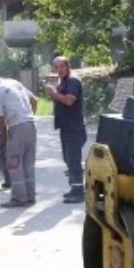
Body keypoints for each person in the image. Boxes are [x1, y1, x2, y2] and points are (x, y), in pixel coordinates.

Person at [0, 69, 38, 207]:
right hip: (31, 125)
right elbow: (34, 100)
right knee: (28, 164)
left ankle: (18, 198)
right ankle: (30, 197)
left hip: (17, 127)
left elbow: (0, 121)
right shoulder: (14, 82)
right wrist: (29, 117)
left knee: (14, 164)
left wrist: (5, 142)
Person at [43, 56, 86, 204]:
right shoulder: (64, 82)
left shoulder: (73, 81)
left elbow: (68, 101)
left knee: (73, 160)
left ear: (68, 66)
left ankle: (79, 191)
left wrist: (53, 93)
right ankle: (75, 188)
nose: (59, 70)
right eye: (56, 67)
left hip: (74, 127)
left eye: (62, 66)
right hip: (66, 127)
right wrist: (54, 94)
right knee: (68, 159)